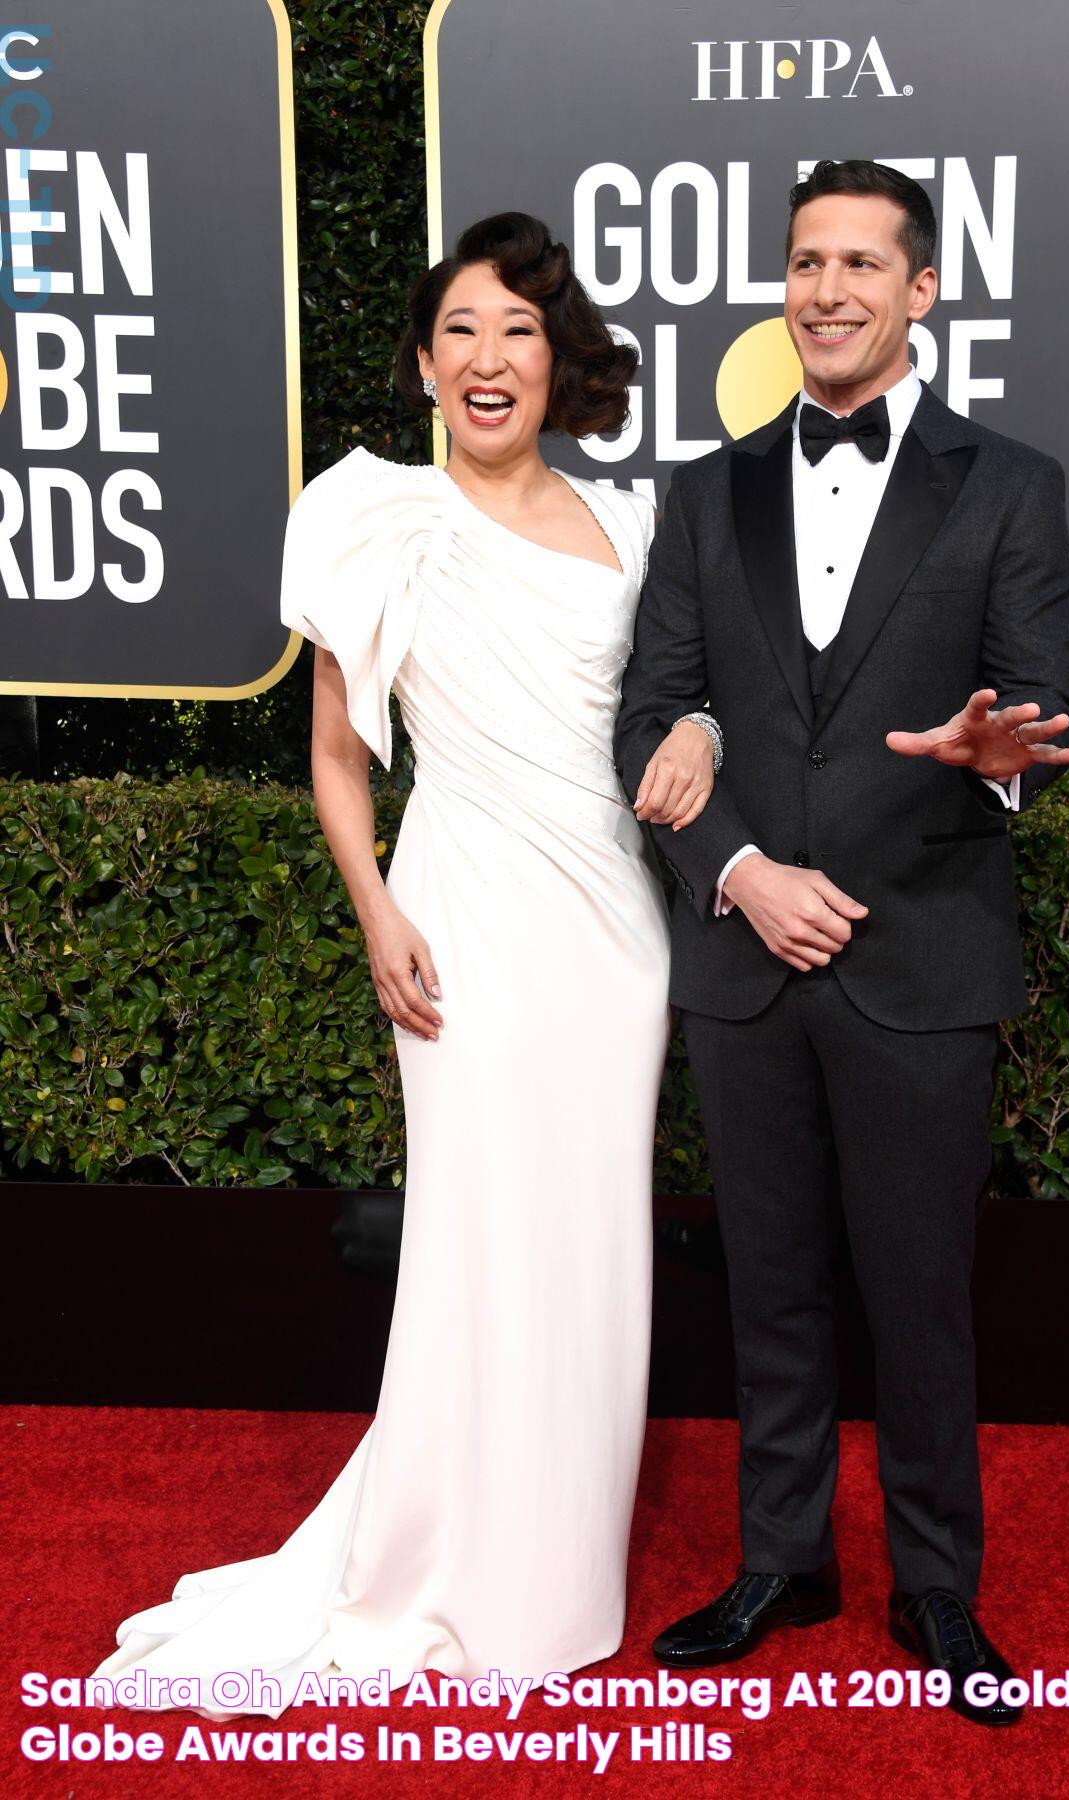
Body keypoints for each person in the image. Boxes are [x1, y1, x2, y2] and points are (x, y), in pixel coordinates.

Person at [88, 212, 712, 1721]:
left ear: (559, 360)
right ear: (424, 365)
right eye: (462, 332)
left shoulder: (635, 524)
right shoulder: (374, 519)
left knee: (593, 1249)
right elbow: (335, 759)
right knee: (474, 1242)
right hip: (465, 912)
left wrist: (700, 731)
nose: (490, 358)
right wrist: (377, 913)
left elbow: (687, 703)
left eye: (518, 330)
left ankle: (557, 1577)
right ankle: (447, 1563)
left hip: (614, 934)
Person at [613, 160, 1069, 1728]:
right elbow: (652, 712)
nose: (826, 291)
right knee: (774, 1288)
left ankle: (936, 1586)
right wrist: (738, 868)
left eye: (860, 265)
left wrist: (987, 750)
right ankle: (782, 1560)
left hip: (922, 951)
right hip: (749, 957)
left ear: (921, 290)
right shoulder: (707, 487)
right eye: (806, 263)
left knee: (920, 1291)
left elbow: (1041, 711)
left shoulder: (1011, 483)